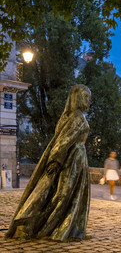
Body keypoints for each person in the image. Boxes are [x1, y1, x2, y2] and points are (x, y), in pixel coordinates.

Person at [6, 84, 91, 241]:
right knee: (64, 195)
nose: (88, 101)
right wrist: (56, 160)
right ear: (77, 98)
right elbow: (64, 141)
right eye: (86, 97)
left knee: (69, 195)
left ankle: (68, 227)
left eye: (89, 98)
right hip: (73, 160)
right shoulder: (77, 118)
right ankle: (54, 227)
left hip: (76, 159)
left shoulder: (70, 116)